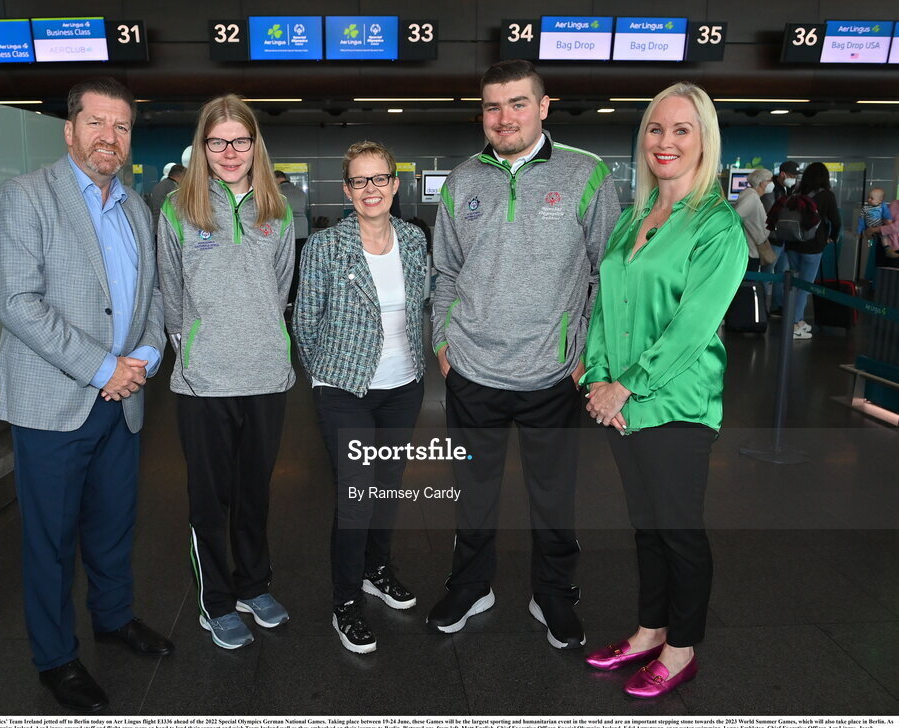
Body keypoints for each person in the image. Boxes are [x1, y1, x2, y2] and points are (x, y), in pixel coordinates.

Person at [0, 77, 171, 713]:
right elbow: (16, 302)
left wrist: (140, 361)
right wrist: (102, 368)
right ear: (70, 130)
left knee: (115, 526)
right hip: (53, 403)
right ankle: (56, 658)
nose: (109, 138)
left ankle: (114, 619)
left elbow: (150, 302)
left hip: (125, 401)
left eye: (121, 127)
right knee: (51, 540)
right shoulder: (27, 197)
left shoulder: (137, 209)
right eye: (97, 123)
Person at [429, 59, 620, 646]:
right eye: (492, 106)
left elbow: (605, 271)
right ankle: (471, 583)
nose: (503, 116)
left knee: (553, 496)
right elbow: (443, 272)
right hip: (473, 369)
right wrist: (443, 343)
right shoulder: (462, 180)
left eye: (517, 103)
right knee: (474, 492)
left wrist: (586, 352)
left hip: (553, 373)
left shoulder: (585, 174)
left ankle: (553, 593)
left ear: (543, 106)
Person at [581, 82, 747, 699]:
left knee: (677, 529)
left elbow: (693, 327)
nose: (666, 141)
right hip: (621, 401)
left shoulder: (717, 225)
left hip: (676, 404)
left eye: (682, 130)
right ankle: (650, 630)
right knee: (646, 527)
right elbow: (604, 306)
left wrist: (627, 386)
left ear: (704, 141)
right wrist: (598, 378)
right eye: (656, 129)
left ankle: (682, 649)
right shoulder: (633, 217)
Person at [156, 94, 295, 651]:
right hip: (204, 381)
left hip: (265, 376)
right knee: (209, 499)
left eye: (241, 141)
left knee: (254, 492)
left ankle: (253, 585)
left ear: (255, 145)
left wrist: (266, 339)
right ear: (202, 147)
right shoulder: (177, 210)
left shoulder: (277, 209)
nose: (230, 152)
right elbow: (169, 293)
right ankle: (215, 601)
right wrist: (191, 349)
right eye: (218, 142)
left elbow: (280, 288)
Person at [293, 141, 427, 654]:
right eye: (359, 181)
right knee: (356, 493)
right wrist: (326, 376)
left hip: (403, 387)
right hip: (344, 389)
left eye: (380, 179)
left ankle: (377, 570)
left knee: (388, 487)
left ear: (395, 184)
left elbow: (419, 308)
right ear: (347, 190)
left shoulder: (414, 240)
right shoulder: (326, 247)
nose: (371, 190)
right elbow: (306, 321)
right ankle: (345, 601)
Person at [785, 162, 841, 340]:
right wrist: (832, 236)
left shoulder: (796, 193)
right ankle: (794, 324)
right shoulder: (827, 196)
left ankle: (797, 320)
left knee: (792, 284)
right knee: (805, 286)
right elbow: (836, 220)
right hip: (813, 246)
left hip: (793, 244)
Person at [761, 161, 800, 315]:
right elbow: (770, 213)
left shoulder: (789, 189)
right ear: (783, 174)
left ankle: (777, 305)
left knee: (780, 274)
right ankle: (763, 308)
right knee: (767, 274)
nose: (794, 178)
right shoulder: (772, 190)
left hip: (784, 239)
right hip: (773, 239)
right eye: (792, 175)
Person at [275, 169, 310, 304]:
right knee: (299, 267)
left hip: (288, 232)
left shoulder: (278, 193)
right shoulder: (300, 192)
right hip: (303, 232)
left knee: (287, 267)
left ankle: (288, 298)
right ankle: (298, 298)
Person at [734, 168, 773, 271]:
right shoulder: (751, 197)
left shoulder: (752, 196)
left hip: (751, 248)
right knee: (749, 283)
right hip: (750, 250)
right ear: (761, 182)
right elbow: (736, 216)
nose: (772, 183)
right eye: (769, 180)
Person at [859, 186, 896, 269]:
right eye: (869, 198)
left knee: (891, 274)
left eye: (872, 198)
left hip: (891, 243)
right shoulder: (893, 204)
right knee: (879, 267)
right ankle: (870, 245)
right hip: (876, 235)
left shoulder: (884, 206)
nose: (869, 200)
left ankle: (884, 248)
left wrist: (878, 227)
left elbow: (893, 225)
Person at [148, 163, 185, 232]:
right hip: (165, 229)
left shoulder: (160, 185)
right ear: (180, 175)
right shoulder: (173, 188)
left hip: (157, 228)